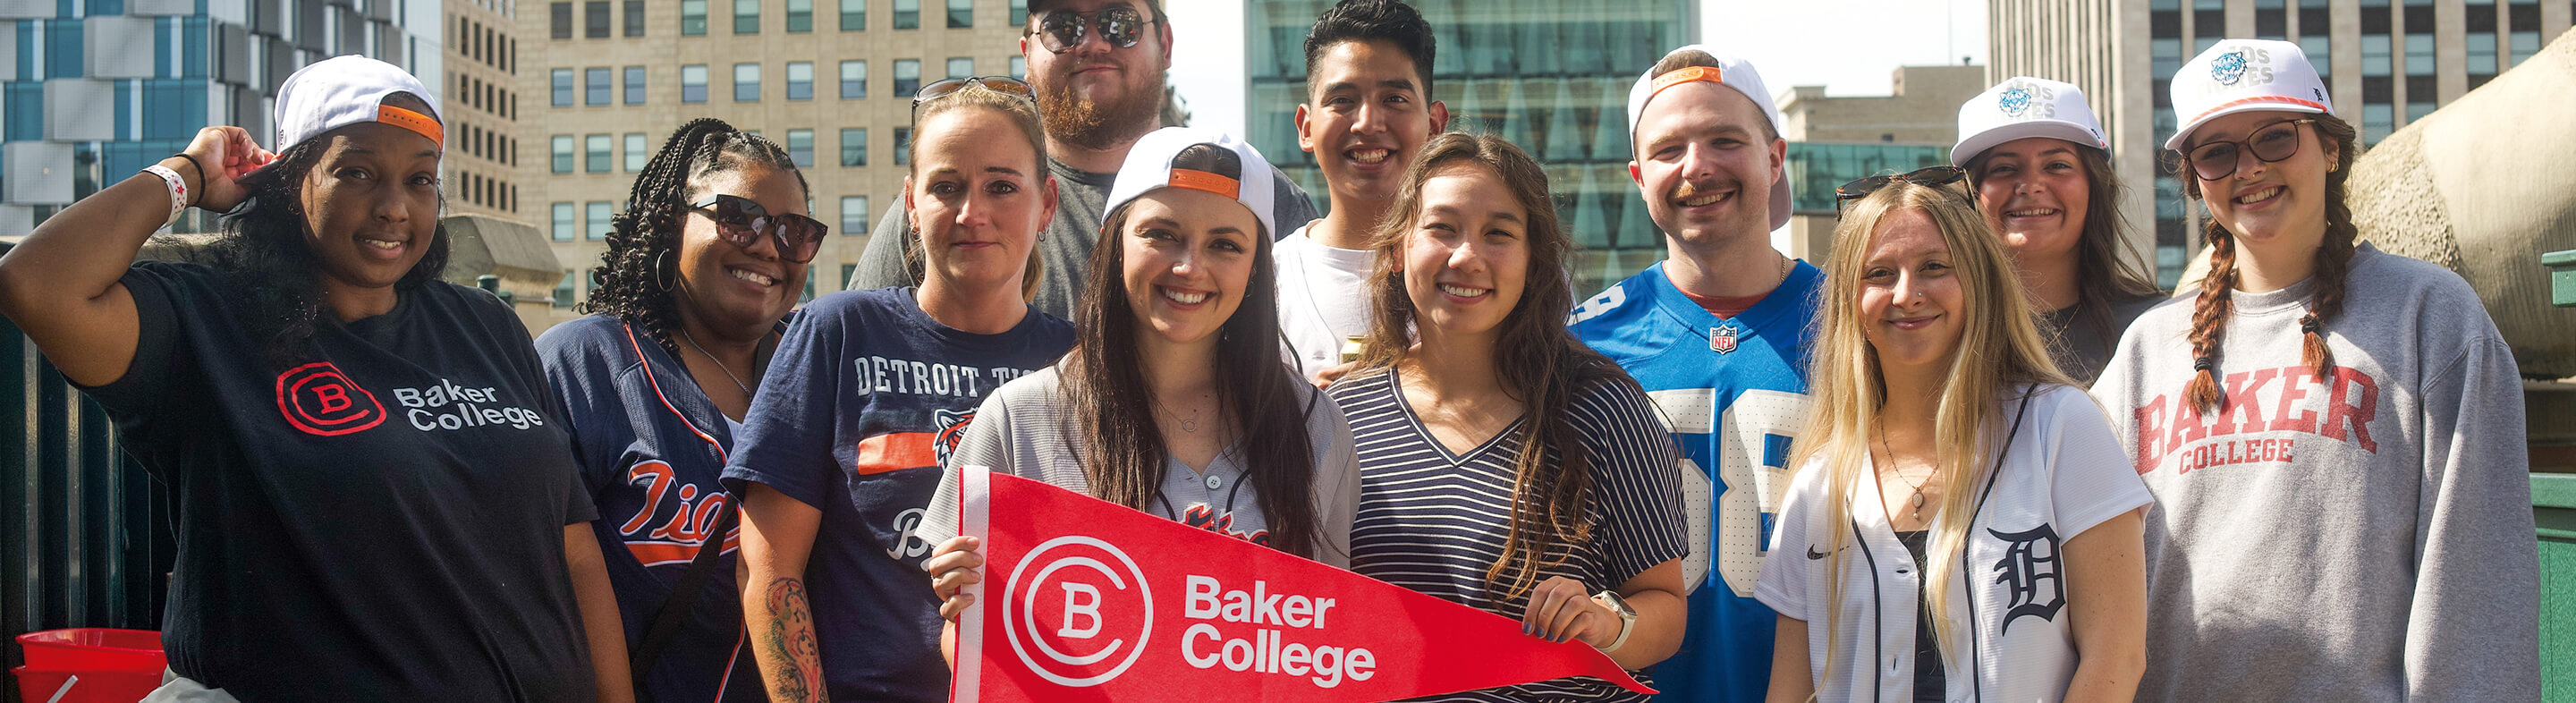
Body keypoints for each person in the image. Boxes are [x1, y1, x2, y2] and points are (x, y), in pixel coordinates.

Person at [0, 56, 626, 701]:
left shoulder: (485, 325)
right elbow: (37, 284)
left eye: (420, 180)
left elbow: (573, 550)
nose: (393, 207)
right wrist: (187, 175)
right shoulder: (205, 319)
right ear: (286, 180)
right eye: (356, 172)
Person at [2092, 38, 2538, 699]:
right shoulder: (2147, 350)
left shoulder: (2432, 317)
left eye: (2275, 137)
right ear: (2194, 180)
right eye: (2216, 153)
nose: (2248, 168)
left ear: (2329, 148)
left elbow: (2476, 578)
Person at [918, 127, 1360, 638]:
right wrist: (969, 611)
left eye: (1225, 245)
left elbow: (1325, 641)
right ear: (1116, 244)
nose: (1189, 267)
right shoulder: (1018, 421)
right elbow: (972, 647)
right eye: (1161, 234)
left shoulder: (1315, 426)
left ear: (1257, 269)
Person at [724, 77, 1074, 702]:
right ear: (910, 204)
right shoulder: (836, 333)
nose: (974, 214)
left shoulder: (1082, 364)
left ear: (1046, 204)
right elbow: (769, 567)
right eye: (946, 187)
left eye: (1002, 186)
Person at [1756, 171, 2149, 701]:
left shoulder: (2060, 426)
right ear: (1850, 301)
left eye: (1934, 267)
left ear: (1978, 280)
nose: (1907, 294)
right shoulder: (1820, 481)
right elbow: (1790, 690)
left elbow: (2116, 658)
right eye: (1879, 273)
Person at [1331, 132, 1689, 702]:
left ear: (1532, 261)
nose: (1466, 256)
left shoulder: (1603, 408)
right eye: (1442, 227)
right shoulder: (1338, 416)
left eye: (1499, 233)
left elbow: (1666, 611)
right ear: (1399, 248)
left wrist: (1603, 623)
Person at [1563, 47, 1814, 703]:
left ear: (1775, 156)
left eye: (1724, 139)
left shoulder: (1858, 324)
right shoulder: (1579, 343)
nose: (1697, 166)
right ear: (1637, 176)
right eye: (1669, 149)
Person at [536, 118, 818, 702]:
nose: (769, 246)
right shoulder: (586, 364)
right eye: (739, 217)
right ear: (671, 224)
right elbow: (544, 588)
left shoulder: (821, 371)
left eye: (795, 231)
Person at [844, 0, 1318, 319]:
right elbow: (861, 356)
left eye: (1120, 23)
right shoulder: (947, 208)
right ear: (1028, 53)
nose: (1093, 43)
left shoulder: (1255, 193)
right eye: (1063, 26)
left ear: (1166, 44)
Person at [1276, 0, 1450, 378]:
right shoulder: (1259, 282)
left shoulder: (1486, 271)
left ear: (1435, 124)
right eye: (1343, 100)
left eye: (1394, 99)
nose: (1367, 123)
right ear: (1306, 127)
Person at [1953, 76, 2164, 386]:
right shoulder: (1940, 333)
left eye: (2057, 166)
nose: (2031, 185)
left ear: (2094, 185)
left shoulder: (2160, 328)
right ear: (1971, 194)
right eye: (2003, 169)